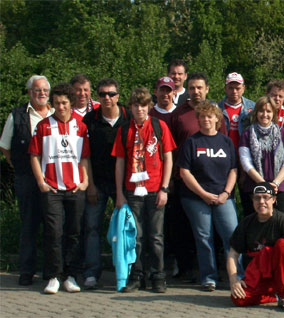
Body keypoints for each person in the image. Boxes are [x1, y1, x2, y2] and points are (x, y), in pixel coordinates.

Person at [111, 88, 176, 293]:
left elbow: (168, 158)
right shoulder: (124, 130)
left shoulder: (159, 126)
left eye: (143, 105)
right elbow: (120, 162)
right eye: (136, 105)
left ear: (149, 106)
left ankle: (158, 276)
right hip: (132, 190)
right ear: (130, 107)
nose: (140, 109)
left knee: (156, 236)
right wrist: (120, 193)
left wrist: (164, 188)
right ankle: (136, 275)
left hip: (155, 188)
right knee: (135, 236)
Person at [29, 83, 90, 294]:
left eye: (64, 103)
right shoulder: (44, 126)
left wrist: (85, 181)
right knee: (54, 233)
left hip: (75, 188)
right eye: (56, 103)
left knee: (74, 233)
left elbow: (84, 157)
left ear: (71, 103)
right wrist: (40, 182)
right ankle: (53, 276)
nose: (60, 107)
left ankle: (71, 275)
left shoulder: (81, 126)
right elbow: (34, 156)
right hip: (52, 188)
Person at [176, 101, 239, 292]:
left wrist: (226, 193)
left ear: (217, 119)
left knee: (232, 236)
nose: (206, 120)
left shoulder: (226, 142)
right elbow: (184, 172)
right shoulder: (191, 142)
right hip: (196, 198)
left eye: (210, 116)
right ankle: (209, 277)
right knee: (204, 238)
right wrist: (203, 194)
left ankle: (237, 276)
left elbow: (234, 170)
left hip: (223, 197)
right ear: (198, 119)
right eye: (202, 116)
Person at [0, 75, 54, 286]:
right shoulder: (17, 115)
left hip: (52, 178)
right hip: (27, 178)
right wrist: (17, 165)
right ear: (29, 92)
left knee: (53, 226)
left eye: (44, 91)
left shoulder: (55, 113)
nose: (41, 94)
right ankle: (26, 271)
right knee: (29, 225)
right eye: (37, 90)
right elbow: (5, 146)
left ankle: (51, 272)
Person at [227, 183, 284, 310]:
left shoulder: (283, 221)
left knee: (282, 244)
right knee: (238, 298)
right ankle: (274, 297)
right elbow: (233, 254)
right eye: (257, 198)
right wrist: (234, 280)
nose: (261, 202)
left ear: (274, 200)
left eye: (265, 197)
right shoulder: (246, 223)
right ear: (252, 200)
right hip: (260, 274)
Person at [81, 78, 130, 289]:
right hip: (98, 183)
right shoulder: (89, 119)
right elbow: (85, 156)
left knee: (129, 229)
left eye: (111, 94)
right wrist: (89, 185)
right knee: (92, 228)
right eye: (102, 94)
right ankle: (92, 273)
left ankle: (128, 272)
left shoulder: (128, 116)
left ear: (118, 96)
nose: (107, 98)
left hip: (125, 184)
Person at [239, 97, 284, 216]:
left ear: (274, 113)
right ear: (256, 113)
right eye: (261, 111)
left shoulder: (283, 133)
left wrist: (275, 183)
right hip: (254, 186)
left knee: (279, 224)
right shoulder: (247, 133)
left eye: (268, 111)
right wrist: (263, 184)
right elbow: (245, 162)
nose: (265, 114)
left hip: (280, 188)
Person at [216, 72, 255, 149]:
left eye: (238, 88)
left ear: (243, 88)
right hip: (224, 151)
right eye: (231, 88)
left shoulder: (253, 107)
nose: (234, 91)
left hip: (246, 152)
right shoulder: (217, 108)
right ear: (225, 88)